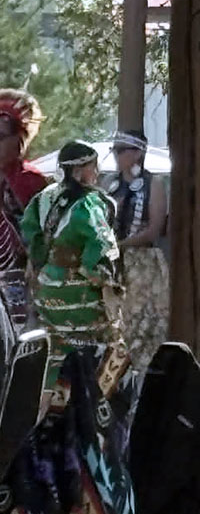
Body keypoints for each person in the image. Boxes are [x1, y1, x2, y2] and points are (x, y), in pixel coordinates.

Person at [0, 141, 150, 514]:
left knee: (55, 411)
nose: (96, 173)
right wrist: (108, 282)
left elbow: (31, 239)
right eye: (92, 167)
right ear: (83, 169)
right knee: (99, 432)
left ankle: (55, 511)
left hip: (53, 315)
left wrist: (49, 268)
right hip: (90, 330)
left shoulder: (43, 199)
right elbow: (102, 254)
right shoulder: (92, 203)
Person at [0, 89, 47, 329]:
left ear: (18, 139)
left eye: (0, 137)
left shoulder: (32, 181)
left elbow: (43, 234)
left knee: (18, 332)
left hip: (21, 276)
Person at [106, 129, 169, 373]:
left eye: (122, 150)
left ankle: (141, 377)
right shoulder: (109, 184)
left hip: (142, 263)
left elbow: (154, 229)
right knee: (114, 324)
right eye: (115, 150)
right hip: (112, 264)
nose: (117, 155)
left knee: (142, 324)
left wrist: (121, 245)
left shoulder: (154, 184)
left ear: (138, 153)